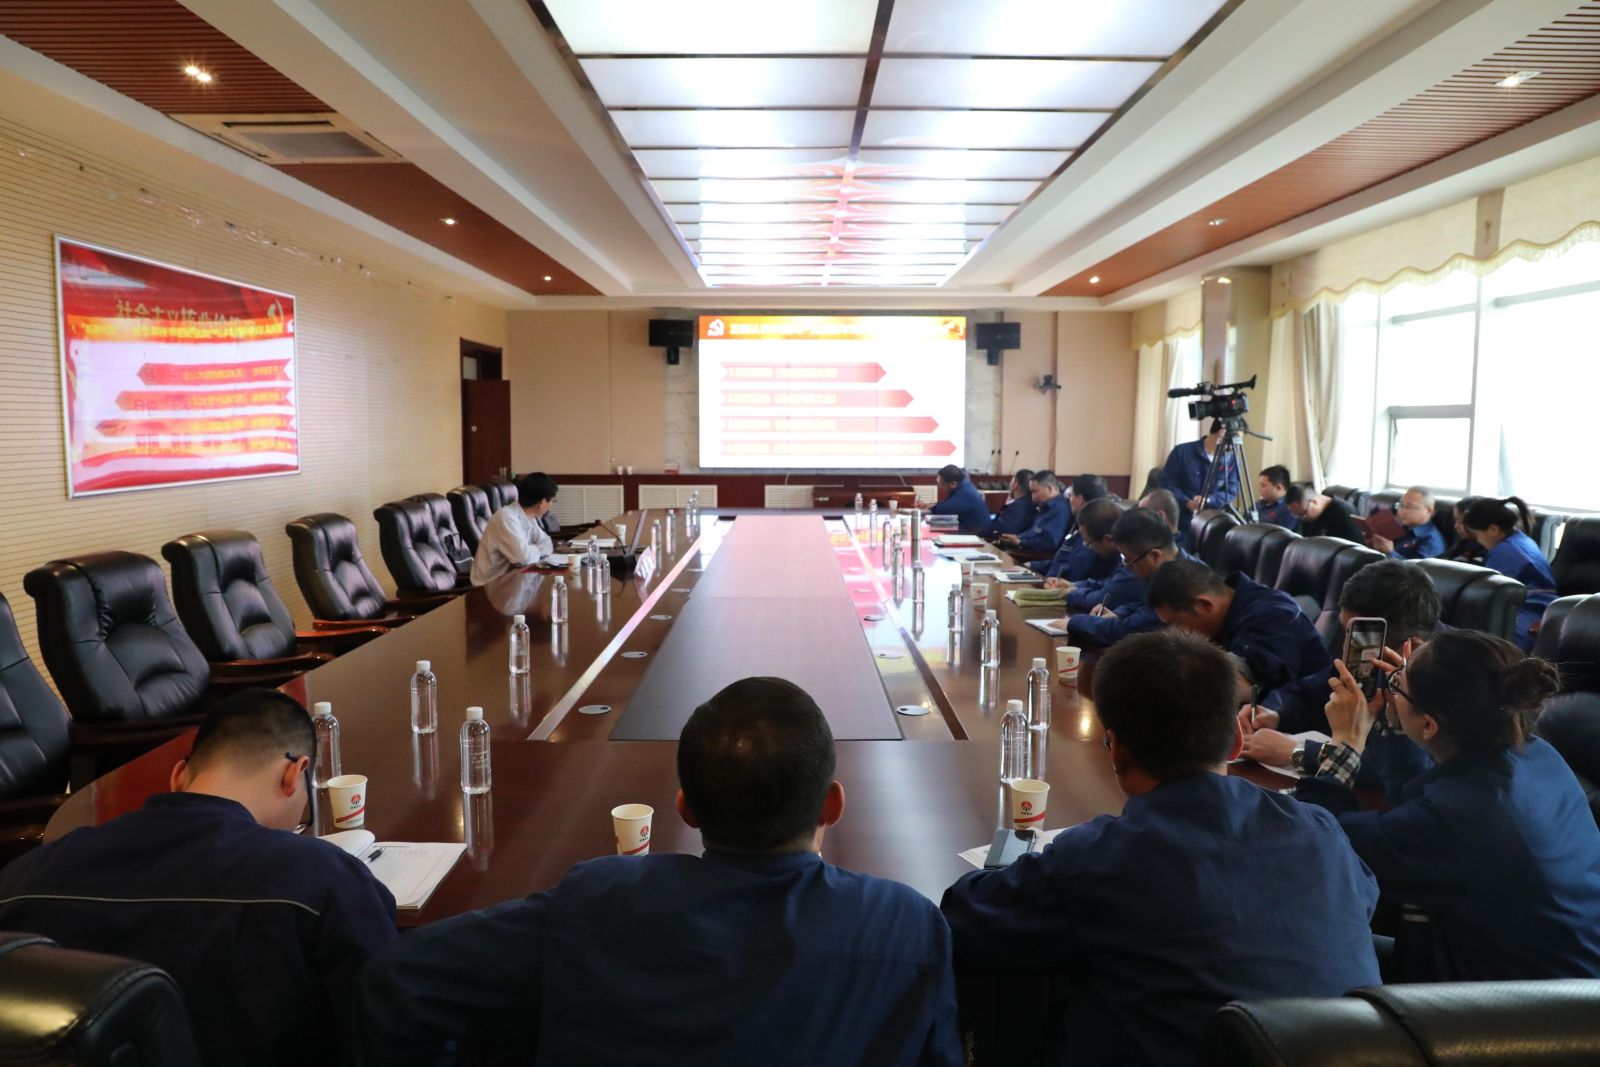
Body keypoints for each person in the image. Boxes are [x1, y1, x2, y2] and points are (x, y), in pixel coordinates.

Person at [356, 677, 962, 1067]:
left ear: (684, 809)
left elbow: (396, 978)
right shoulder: (907, 924)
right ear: (833, 804)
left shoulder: (600, 896)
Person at [941, 630, 1379, 1067]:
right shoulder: (1322, 831)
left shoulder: (1107, 857)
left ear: (1117, 752)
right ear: (1235, 741)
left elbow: (967, 917)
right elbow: (1364, 901)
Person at [0, 690, 398, 1067]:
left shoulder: (23, 878)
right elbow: (388, 1024)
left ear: (178, 775)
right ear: (294, 774)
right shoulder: (322, 878)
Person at [1298, 630, 1600, 981]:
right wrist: (1403, 713)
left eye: (1397, 683)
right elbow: (1417, 806)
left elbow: (1316, 838)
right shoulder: (1536, 754)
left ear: (1429, 725)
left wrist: (1346, 741)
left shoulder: (1455, 820)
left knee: (1304, 942)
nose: (1391, 685)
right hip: (1571, 977)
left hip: (1518, 1005)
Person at [1239, 560, 1435, 799]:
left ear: (1412, 647)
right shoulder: (1368, 653)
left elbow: (1408, 772)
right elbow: (1311, 691)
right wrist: (1273, 711)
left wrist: (1299, 753)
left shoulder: (1451, 678)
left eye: (1358, 639)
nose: (1345, 648)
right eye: (1346, 633)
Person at [1147, 558, 1332, 697]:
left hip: (1310, 728)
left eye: (1176, 624)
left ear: (1205, 605)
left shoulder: (1271, 614)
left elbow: (1231, 687)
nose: (1173, 633)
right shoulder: (1224, 614)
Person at [1064, 508, 1195, 647]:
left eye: (1128, 559)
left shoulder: (1179, 583)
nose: (1127, 567)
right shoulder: (1166, 567)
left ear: (1155, 556)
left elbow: (1129, 631)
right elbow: (1144, 604)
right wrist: (1119, 614)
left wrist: (1073, 622)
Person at [1462, 496, 1556, 651]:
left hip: (1528, 614)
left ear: (1493, 529)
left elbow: (1491, 594)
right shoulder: (1520, 539)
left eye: (1477, 535)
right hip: (1542, 610)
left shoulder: (1505, 552)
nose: (1478, 541)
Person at [471, 471, 559, 585]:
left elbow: (547, 543)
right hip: (489, 587)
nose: (551, 505)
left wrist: (532, 549)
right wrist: (537, 549)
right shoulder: (506, 518)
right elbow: (524, 558)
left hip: (512, 581)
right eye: (552, 500)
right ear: (542, 502)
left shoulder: (528, 517)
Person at [1048, 498, 1137, 611]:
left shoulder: (1132, 559)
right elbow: (1108, 583)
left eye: (1088, 543)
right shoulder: (1120, 553)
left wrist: (1068, 594)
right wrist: (1075, 586)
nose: (1088, 547)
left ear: (1108, 540)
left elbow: (1102, 599)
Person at [1160, 420, 1240, 533]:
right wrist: (1187, 502)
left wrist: (1208, 500)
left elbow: (1231, 492)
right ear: (1222, 433)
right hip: (1180, 522)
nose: (1237, 444)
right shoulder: (1182, 452)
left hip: (1212, 525)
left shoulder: (1232, 460)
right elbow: (1166, 484)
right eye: (1236, 438)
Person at [1033, 475, 1116, 581]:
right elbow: (1062, 559)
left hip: (1063, 586)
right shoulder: (1077, 522)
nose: (1068, 499)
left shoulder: (1092, 528)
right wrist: (1033, 565)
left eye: (1071, 495)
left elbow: (1074, 572)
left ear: (1080, 499)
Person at [997, 470, 1069, 555]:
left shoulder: (1060, 509)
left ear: (1049, 489)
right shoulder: (1045, 507)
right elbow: (1033, 532)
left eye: (1035, 492)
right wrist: (1018, 537)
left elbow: (1049, 543)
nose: (1032, 496)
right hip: (1028, 549)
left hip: (1038, 556)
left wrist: (1020, 542)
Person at [1370, 487, 1445, 560]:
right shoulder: (1401, 526)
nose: (1402, 511)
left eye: (1409, 507)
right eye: (1401, 505)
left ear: (1429, 510)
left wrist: (1390, 553)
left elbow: (1416, 568)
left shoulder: (1431, 541)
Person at [1286, 485, 1364, 544]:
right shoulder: (1308, 515)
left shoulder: (1343, 513)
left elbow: (1355, 551)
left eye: (1303, 514)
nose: (1302, 518)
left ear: (1314, 501)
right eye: (1296, 515)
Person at [928, 464, 990, 533]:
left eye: (941, 483)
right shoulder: (962, 485)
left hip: (977, 531)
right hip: (967, 524)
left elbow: (943, 510)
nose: (938, 485)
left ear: (953, 484)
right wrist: (931, 505)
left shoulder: (966, 493)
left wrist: (931, 507)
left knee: (933, 528)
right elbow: (947, 504)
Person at [981, 468, 1036, 541]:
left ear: (1015, 484)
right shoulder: (1033, 504)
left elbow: (998, 531)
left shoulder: (1016, 508)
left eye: (1011, 481)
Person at [1444, 495, 1488, 563]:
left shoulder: (1485, 549)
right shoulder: (1463, 540)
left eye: (1461, 522)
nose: (1455, 526)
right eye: (1455, 520)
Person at [1257, 465, 1298, 529]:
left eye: (1263, 485)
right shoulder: (1259, 504)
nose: (1259, 489)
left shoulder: (1290, 509)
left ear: (1279, 488)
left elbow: (1282, 533)